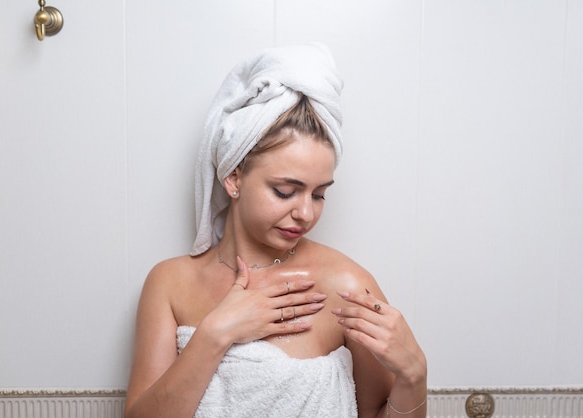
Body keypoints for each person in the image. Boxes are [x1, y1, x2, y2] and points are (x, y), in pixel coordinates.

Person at [124, 43, 427, 418]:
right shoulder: (169, 284)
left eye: (319, 195)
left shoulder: (345, 286)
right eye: (285, 191)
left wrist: (414, 377)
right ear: (233, 176)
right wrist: (217, 332)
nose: (304, 213)